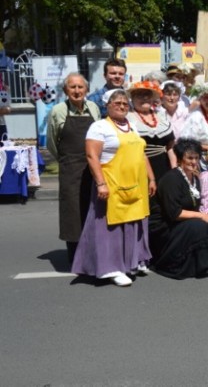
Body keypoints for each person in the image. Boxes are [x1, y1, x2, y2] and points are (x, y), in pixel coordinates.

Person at [72, 89, 155, 287]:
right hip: (112, 185)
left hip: (136, 184)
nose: (121, 106)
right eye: (116, 102)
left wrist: (151, 178)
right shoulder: (99, 127)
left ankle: (133, 261)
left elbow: (142, 155)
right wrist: (100, 183)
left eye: (125, 103)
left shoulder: (132, 126)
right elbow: (92, 156)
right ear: (107, 105)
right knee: (111, 229)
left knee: (134, 224)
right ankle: (111, 268)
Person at [46, 73, 101, 264]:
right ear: (65, 90)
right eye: (72, 87)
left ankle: (93, 253)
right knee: (72, 211)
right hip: (70, 168)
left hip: (93, 167)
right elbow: (52, 143)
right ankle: (75, 256)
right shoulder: (57, 111)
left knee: (92, 209)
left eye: (80, 87)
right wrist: (66, 160)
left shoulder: (93, 108)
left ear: (86, 90)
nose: (77, 91)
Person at [149, 138, 208, 278]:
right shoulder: (171, 179)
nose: (193, 162)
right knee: (198, 226)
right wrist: (200, 216)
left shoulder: (195, 178)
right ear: (180, 158)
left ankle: (197, 264)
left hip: (182, 223)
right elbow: (174, 213)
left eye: (196, 158)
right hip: (166, 227)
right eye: (189, 158)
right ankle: (176, 264)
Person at [126, 81, 176, 182]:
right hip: (140, 169)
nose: (145, 98)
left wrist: (175, 171)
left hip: (164, 168)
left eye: (147, 95)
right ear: (132, 98)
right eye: (140, 95)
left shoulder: (161, 116)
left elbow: (170, 147)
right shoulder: (128, 118)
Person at [180, 82, 208, 151]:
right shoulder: (196, 117)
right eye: (206, 97)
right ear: (200, 100)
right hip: (201, 157)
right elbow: (188, 143)